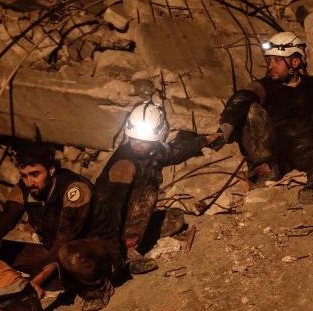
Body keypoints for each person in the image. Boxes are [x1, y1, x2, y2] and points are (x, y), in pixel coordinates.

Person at [86, 97, 217, 276]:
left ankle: (133, 240)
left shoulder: (153, 151)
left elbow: (175, 152)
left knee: (176, 219)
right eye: (135, 140)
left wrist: (204, 140)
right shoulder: (123, 165)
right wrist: (115, 254)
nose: (138, 144)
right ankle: (129, 251)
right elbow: (110, 209)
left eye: (144, 141)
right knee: (147, 194)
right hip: (107, 222)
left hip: (130, 214)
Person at [218, 31, 313, 204]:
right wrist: (226, 126)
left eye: (277, 61)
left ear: (295, 62)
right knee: (250, 109)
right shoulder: (265, 86)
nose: (271, 66)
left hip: (303, 147)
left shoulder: (312, 86)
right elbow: (242, 97)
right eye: (269, 60)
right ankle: (262, 171)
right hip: (274, 150)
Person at [0, 142, 94, 297]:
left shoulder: (74, 189)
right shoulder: (25, 188)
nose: (29, 182)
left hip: (86, 252)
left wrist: (35, 282)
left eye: (35, 174)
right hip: (51, 254)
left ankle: (95, 287)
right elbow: (4, 221)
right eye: (24, 175)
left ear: (51, 170)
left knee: (69, 257)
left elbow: (64, 241)